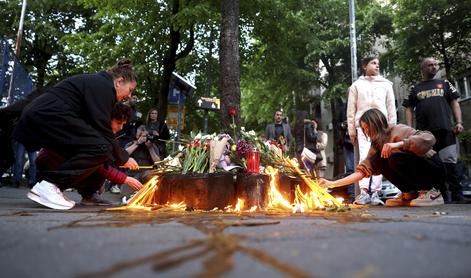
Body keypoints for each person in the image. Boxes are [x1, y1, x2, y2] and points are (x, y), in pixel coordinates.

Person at [12, 59, 141, 210]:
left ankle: (83, 192)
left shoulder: (97, 85)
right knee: (102, 147)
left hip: (44, 116)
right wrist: (123, 157)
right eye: (130, 90)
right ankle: (50, 186)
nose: (129, 96)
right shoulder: (103, 87)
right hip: (48, 116)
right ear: (119, 81)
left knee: (101, 148)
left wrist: (118, 156)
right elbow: (102, 130)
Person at [319, 108, 446, 207]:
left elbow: (429, 138)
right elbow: (362, 172)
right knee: (379, 160)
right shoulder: (376, 146)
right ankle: (409, 194)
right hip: (418, 172)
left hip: (434, 169)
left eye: (367, 127)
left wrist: (400, 144)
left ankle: (431, 192)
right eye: (364, 129)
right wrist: (332, 183)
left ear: (376, 123)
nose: (366, 132)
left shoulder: (398, 130)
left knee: (394, 157)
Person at [34, 103, 143, 208]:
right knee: (102, 157)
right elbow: (96, 163)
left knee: (107, 158)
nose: (121, 128)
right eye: (119, 122)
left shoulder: (100, 131)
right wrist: (126, 179)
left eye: (123, 124)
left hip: (58, 165)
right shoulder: (92, 132)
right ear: (106, 119)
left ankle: (89, 195)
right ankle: (51, 187)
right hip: (50, 168)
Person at [403, 57, 465, 203]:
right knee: (431, 165)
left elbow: (455, 103)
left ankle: (457, 195)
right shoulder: (415, 88)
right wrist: (411, 130)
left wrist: (459, 122)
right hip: (425, 135)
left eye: (436, 64)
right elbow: (409, 108)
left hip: (445, 130)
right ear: (423, 69)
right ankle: (440, 196)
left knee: (450, 163)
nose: (434, 67)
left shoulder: (445, 84)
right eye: (430, 65)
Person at [347, 57, 397, 205]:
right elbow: (351, 109)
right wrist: (352, 130)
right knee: (364, 157)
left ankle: (374, 193)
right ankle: (363, 193)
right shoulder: (356, 85)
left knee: (379, 157)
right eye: (373, 63)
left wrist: (391, 127)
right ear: (364, 66)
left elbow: (391, 107)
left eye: (378, 64)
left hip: (382, 127)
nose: (377, 66)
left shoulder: (386, 85)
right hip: (363, 127)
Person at [294, 111, 319, 176]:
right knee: (308, 171)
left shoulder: (296, 126)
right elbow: (311, 137)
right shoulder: (308, 125)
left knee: (300, 171)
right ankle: (308, 185)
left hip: (298, 151)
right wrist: (315, 130)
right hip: (307, 152)